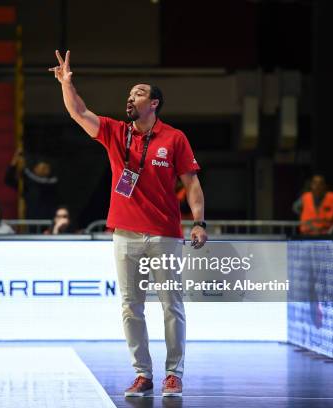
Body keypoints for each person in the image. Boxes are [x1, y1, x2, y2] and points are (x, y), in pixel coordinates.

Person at [50, 50, 207, 398]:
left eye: (138, 93)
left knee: (171, 304)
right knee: (130, 307)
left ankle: (173, 374)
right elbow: (78, 111)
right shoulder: (115, 132)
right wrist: (66, 83)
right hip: (124, 235)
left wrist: (199, 222)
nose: (130, 97)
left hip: (165, 234)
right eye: (129, 94)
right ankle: (143, 374)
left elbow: (192, 184)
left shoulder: (174, 138)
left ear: (154, 103)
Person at [4, 147, 59, 219]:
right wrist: (15, 162)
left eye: (46, 168)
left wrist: (25, 170)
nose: (44, 170)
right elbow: (9, 180)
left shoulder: (53, 183)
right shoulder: (27, 184)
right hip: (32, 222)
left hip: (50, 221)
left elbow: (39, 181)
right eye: (41, 168)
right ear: (35, 169)